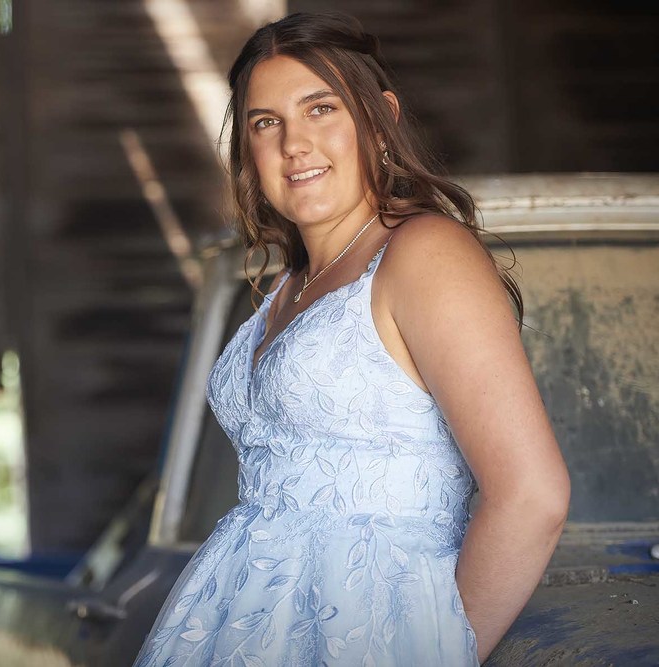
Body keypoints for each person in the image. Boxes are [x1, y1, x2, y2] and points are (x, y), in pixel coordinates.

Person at [134, 11, 570, 666]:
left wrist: (435, 653)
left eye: (321, 109)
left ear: (379, 118)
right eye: (266, 122)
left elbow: (533, 495)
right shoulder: (288, 284)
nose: (294, 144)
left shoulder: (423, 252)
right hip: (236, 622)